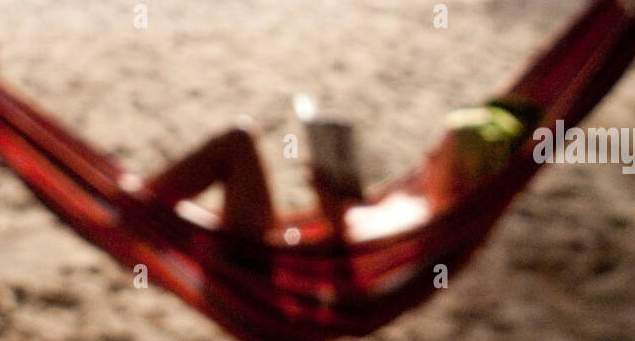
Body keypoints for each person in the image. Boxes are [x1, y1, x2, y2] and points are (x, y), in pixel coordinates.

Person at [144, 94, 539, 242]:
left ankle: (135, 208)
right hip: (276, 244)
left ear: (461, 176)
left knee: (239, 141)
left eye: (440, 154)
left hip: (266, 266)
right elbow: (325, 221)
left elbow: (346, 275)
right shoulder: (413, 191)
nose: (427, 158)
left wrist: (332, 211)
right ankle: (141, 209)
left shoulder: (423, 226)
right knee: (238, 142)